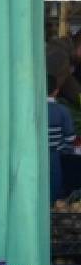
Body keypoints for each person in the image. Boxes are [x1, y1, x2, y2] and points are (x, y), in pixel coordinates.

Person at [49, 73, 76, 202]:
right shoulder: (62, 110)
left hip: (32, 156)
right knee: (54, 192)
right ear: (56, 91)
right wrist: (64, 151)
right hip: (55, 157)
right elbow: (70, 138)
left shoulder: (30, 109)